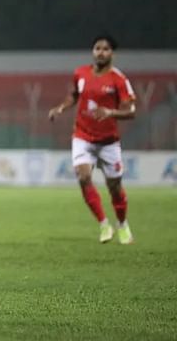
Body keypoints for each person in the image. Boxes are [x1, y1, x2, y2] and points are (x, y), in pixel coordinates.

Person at [48, 35, 136, 244]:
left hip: (108, 142)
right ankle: (104, 224)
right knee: (83, 176)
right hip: (83, 136)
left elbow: (131, 111)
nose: (101, 52)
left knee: (114, 187)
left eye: (105, 49)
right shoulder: (81, 73)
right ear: (92, 51)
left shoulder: (119, 80)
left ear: (112, 53)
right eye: (97, 48)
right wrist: (60, 108)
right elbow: (74, 96)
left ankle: (122, 224)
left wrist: (111, 112)